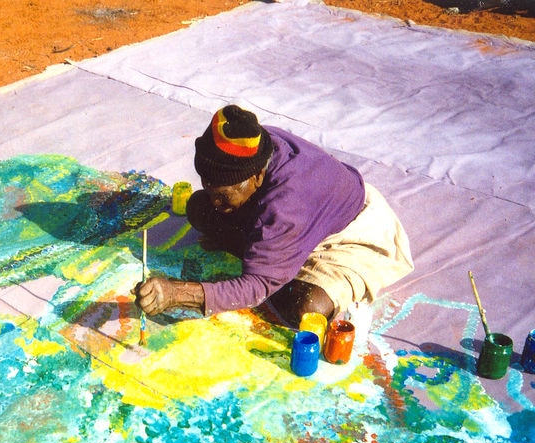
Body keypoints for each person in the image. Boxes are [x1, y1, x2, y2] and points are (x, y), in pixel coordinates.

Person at [136, 104, 413, 327]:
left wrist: (176, 294)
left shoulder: (286, 206)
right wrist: (216, 200)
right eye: (210, 187)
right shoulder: (253, 144)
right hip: (301, 213)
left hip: (350, 231)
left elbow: (256, 286)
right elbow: (215, 201)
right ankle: (276, 258)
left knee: (305, 309)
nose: (216, 201)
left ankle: (281, 265)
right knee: (199, 209)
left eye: (224, 195)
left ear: (257, 176)